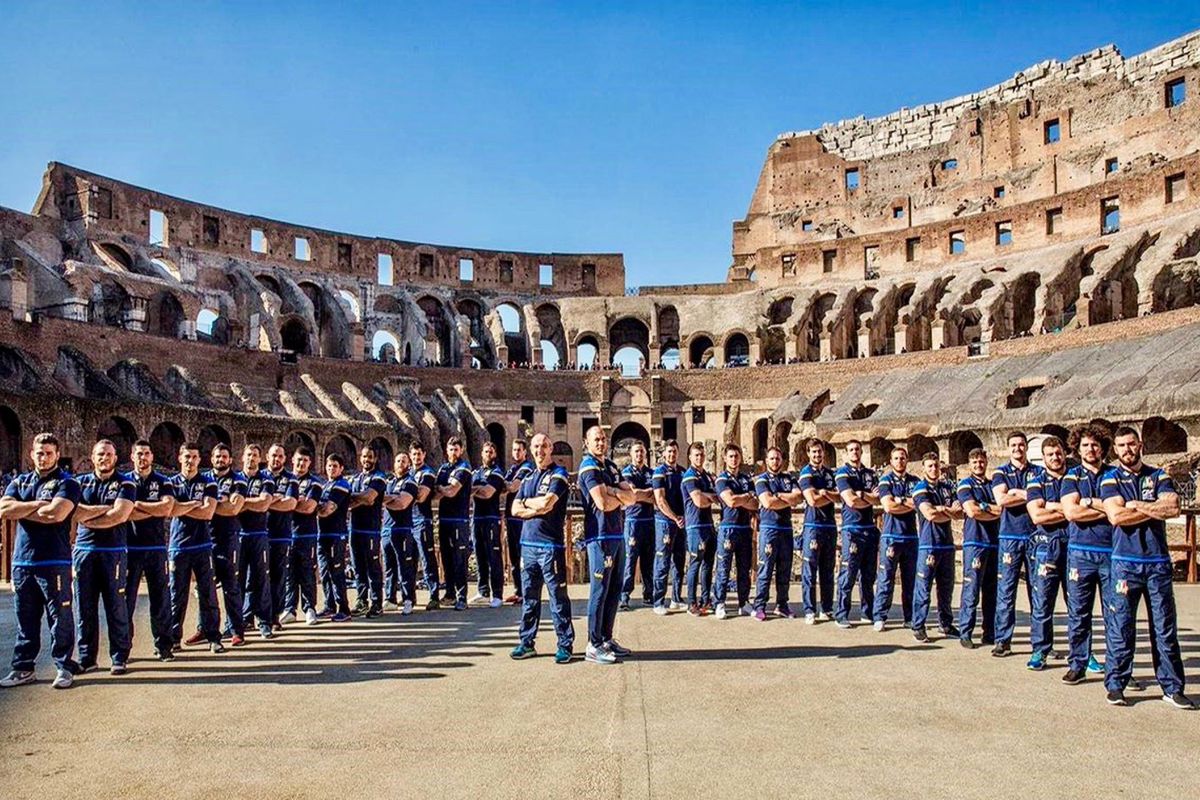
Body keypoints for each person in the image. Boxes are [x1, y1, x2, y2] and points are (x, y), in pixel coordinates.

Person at [1100, 427, 1193, 709]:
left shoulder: (1159, 475)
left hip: (1157, 563)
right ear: (1115, 450)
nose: (1127, 450)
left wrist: (1137, 504)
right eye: (1121, 446)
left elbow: (1173, 508)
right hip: (1125, 564)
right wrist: (1153, 508)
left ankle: (1172, 687)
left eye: (1131, 444)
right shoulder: (1110, 478)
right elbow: (1116, 516)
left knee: (1164, 627)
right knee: (1122, 627)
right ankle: (1116, 685)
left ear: (1140, 445)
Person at [0, 433, 81, 689]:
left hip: (53, 561)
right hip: (23, 562)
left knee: (60, 618)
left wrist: (23, 509)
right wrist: (39, 506)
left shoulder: (67, 483)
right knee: (26, 618)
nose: (43, 457)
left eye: (48, 453)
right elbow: (4, 509)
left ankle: (64, 666)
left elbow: (57, 514)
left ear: (57, 455)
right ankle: (23, 668)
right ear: (31, 454)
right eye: (39, 452)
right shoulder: (20, 481)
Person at [577, 426, 642, 663]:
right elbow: (602, 503)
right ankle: (593, 644)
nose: (601, 442)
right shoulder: (588, 467)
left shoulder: (611, 467)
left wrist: (613, 491)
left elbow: (632, 497)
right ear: (587, 442)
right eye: (596, 439)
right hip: (600, 536)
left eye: (604, 439)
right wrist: (618, 495)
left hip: (617, 534)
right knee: (600, 590)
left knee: (615, 589)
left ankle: (606, 638)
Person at [509, 433, 574, 664]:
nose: (539, 450)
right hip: (528, 545)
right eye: (536, 446)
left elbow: (548, 504)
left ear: (551, 448)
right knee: (529, 598)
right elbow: (514, 509)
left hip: (550, 546)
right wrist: (532, 505)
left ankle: (564, 645)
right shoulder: (527, 477)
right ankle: (527, 643)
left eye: (544, 446)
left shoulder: (559, 474)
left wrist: (529, 504)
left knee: (557, 598)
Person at [72, 439, 136, 674]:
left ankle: (119, 656)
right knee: (84, 608)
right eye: (100, 454)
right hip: (84, 551)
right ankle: (87, 658)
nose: (104, 458)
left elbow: (119, 515)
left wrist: (88, 516)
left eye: (109, 454)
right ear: (93, 456)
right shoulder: (80, 482)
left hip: (113, 552)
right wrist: (103, 510)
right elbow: (72, 511)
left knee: (116, 606)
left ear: (115, 458)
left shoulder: (125, 483)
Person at [1059, 425, 1115, 684]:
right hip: (1081, 553)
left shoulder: (1115, 475)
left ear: (1103, 447)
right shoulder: (1072, 477)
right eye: (1085, 445)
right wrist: (1107, 509)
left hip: (1112, 552)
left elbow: (1121, 510)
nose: (1090, 449)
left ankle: (1117, 669)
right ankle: (1078, 663)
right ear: (1077, 448)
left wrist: (1089, 502)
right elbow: (1071, 513)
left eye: (1095, 445)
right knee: (1079, 613)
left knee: (1115, 613)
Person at [168, 442, 224, 653]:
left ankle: (213, 637)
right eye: (186, 456)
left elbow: (208, 513)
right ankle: (173, 638)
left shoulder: (208, 483)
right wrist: (193, 505)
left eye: (194, 457)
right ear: (180, 458)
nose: (190, 460)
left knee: (208, 593)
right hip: (178, 546)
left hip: (202, 545)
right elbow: (169, 509)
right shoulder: (171, 483)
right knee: (176, 594)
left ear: (199, 460)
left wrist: (182, 507)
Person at [125, 440, 177, 661]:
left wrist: (137, 506)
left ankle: (164, 646)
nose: (142, 457)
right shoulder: (124, 482)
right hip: (130, 547)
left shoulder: (163, 481)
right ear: (132, 456)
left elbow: (166, 508)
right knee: (125, 601)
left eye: (146, 453)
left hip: (156, 547)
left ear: (152, 456)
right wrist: (149, 509)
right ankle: (123, 650)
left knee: (161, 599)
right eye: (139, 454)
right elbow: (124, 513)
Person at [991, 431, 1038, 658]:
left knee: (1038, 591)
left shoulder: (1038, 472)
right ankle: (1003, 640)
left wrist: (1017, 492)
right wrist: (1030, 495)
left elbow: (1045, 498)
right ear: (1008, 448)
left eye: (1021, 445)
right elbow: (1002, 500)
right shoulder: (1000, 472)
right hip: (1010, 536)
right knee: (1006, 590)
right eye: (1013, 445)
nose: (1017, 449)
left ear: (1026, 447)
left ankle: (1040, 643)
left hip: (1035, 536)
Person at [1025, 436, 1070, 670]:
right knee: (1042, 602)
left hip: (1074, 546)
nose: (1055, 457)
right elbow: (1037, 516)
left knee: (1077, 605)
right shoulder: (1036, 482)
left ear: (1065, 453)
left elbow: (1089, 508)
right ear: (1043, 458)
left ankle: (1082, 653)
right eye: (1050, 454)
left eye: (1058, 452)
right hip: (1046, 546)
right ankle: (1040, 650)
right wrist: (1070, 510)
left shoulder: (1077, 478)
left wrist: (1051, 506)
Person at [911, 452, 962, 642]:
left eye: (936, 466)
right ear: (923, 468)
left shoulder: (947, 488)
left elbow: (961, 510)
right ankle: (918, 625)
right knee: (923, 588)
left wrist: (942, 510)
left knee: (946, 588)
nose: (934, 469)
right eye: (930, 466)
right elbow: (930, 514)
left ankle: (945, 624)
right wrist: (947, 511)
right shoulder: (920, 488)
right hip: (929, 544)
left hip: (947, 544)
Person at [752, 446, 804, 620]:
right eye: (772, 458)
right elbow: (767, 502)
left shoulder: (789, 478)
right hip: (769, 528)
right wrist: (786, 499)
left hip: (786, 529)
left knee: (784, 569)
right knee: (766, 569)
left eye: (778, 458)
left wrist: (779, 496)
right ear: (767, 461)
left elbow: (798, 498)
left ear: (782, 460)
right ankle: (759, 605)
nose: (775, 461)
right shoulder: (761, 480)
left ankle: (782, 604)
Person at [956, 447, 1000, 649]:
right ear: (969, 464)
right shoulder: (965, 485)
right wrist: (989, 509)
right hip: (975, 542)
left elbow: (1004, 508)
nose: (978, 465)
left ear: (986, 462)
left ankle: (989, 633)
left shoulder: (994, 485)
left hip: (994, 542)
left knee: (992, 591)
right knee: (971, 589)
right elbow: (972, 511)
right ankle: (966, 632)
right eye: (974, 462)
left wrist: (986, 508)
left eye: (981, 461)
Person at [834, 439, 879, 628]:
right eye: (851, 450)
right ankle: (841, 614)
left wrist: (862, 496)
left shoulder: (870, 474)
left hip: (869, 527)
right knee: (848, 572)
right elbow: (851, 500)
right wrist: (867, 497)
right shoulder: (842, 473)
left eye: (857, 449)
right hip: (852, 528)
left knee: (869, 575)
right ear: (846, 453)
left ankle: (867, 612)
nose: (855, 452)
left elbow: (879, 499)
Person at [873, 447, 920, 631]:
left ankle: (909, 617)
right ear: (890, 461)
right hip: (891, 536)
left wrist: (900, 500)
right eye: (896, 458)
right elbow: (888, 506)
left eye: (902, 458)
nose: (899, 461)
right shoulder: (886, 480)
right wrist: (905, 502)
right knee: (886, 578)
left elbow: (920, 503)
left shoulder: (915, 482)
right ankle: (880, 616)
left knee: (910, 580)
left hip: (910, 536)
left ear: (907, 460)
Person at [207, 444, 247, 645]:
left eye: (224, 456)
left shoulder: (238, 480)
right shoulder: (204, 478)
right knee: (206, 588)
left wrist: (209, 505)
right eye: (217, 456)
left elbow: (233, 508)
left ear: (230, 459)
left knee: (231, 587)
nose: (220, 459)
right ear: (211, 458)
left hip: (228, 538)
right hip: (206, 539)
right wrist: (218, 503)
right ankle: (205, 629)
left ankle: (236, 630)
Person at [235, 444, 276, 639]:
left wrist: (241, 502)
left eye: (255, 455)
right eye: (249, 454)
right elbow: (229, 505)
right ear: (242, 457)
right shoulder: (234, 479)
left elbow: (264, 504)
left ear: (260, 459)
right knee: (237, 580)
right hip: (238, 534)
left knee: (261, 579)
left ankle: (264, 622)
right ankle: (236, 623)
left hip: (259, 534)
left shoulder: (266, 480)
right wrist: (248, 503)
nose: (252, 458)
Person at [797, 438, 839, 624]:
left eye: (819, 451)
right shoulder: (806, 473)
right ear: (808, 454)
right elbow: (812, 500)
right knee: (810, 569)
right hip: (813, 526)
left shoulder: (830, 473)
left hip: (829, 525)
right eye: (813, 452)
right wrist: (829, 495)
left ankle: (827, 608)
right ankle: (809, 609)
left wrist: (825, 494)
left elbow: (841, 497)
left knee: (828, 569)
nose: (817, 455)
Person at [713, 443, 757, 619]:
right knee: (723, 568)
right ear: (725, 458)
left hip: (745, 527)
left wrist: (741, 499)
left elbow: (756, 504)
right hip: (728, 528)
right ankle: (720, 603)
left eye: (736, 456)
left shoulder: (747, 480)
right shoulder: (722, 479)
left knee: (744, 568)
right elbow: (730, 501)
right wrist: (746, 497)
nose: (734, 459)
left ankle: (743, 602)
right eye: (730, 456)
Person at [282, 446, 324, 626]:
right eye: (299, 460)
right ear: (292, 460)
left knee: (307, 573)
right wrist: (293, 502)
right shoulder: (284, 481)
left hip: (306, 534)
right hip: (285, 533)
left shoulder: (314, 483)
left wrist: (288, 503)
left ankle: (309, 609)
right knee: (289, 574)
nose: (301, 463)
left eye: (305, 461)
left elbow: (308, 507)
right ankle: (289, 608)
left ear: (310, 463)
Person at [434, 438, 474, 610]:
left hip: (459, 520)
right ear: (446, 450)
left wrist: (440, 488)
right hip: (444, 519)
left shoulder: (463, 468)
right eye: (451, 449)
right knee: (446, 558)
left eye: (456, 449)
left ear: (461, 450)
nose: (453, 452)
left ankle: (462, 597)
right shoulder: (443, 469)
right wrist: (442, 489)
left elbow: (451, 491)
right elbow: (436, 494)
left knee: (459, 559)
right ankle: (449, 593)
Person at [347, 446, 387, 617]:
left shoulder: (379, 477)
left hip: (370, 530)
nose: (366, 460)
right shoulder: (355, 478)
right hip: (354, 528)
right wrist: (360, 498)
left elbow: (370, 498)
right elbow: (347, 501)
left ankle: (377, 602)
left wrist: (357, 498)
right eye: (364, 457)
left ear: (375, 458)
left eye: (370, 457)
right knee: (358, 567)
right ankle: (362, 600)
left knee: (373, 567)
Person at [681, 441, 719, 617]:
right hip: (695, 525)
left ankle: (706, 600)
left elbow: (716, 496)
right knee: (695, 564)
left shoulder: (706, 476)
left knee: (708, 565)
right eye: (696, 455)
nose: (700, 458)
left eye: (701, 454)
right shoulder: (690, 476)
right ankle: (691, 602)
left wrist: (708, 496)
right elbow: (699, 501)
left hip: (708, 524)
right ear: (690, 457)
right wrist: (710, 497)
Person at [651, 440, 687, 614]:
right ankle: (658, 601)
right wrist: (674, 517)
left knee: (679, 562)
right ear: (664, 454)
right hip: (665, 522)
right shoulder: (659, 473)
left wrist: (683, 518)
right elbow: (659, 500)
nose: (672, 454)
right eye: (669, 452)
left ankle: (676, 598)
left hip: (681, 522)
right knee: (663, 561)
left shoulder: (683, 472)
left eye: (674, 451)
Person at [469, 441, 507, 607]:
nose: (488, 454)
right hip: (476, 518)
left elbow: (487, 493)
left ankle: (497, 594)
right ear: (481, 454)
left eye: (491, 452)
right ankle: (483, 591)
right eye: (486, 452)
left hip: (491, 519)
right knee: (479, 555)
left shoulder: (497, 472)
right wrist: (476, 488)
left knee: (494, 556)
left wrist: (474, 489)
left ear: (495, 454)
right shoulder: (476, 472)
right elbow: (467, 490)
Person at [619, 441, 656, 610]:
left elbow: (657, 495)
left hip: (649, 521)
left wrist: (642, 494)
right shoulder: (626, 473)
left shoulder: (652, 473)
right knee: (630, 560)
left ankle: (649, 594)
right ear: (631, 454)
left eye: (642, 451)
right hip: (633, 522)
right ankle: (624, 596)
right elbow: (632, 495)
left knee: (649, 561)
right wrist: (645, 494)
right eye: (636, 452)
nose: (639, 454)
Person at [264, 443, 298, 630]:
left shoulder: (290, 479)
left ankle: (274, 616)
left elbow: (291, 504)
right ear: (267, 456)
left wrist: (265, 502)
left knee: (278, 578)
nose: (276, 459)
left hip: (281, 535)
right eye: (273, 455)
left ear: (285, 458)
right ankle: (251, 617)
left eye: (280, 456)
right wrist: (274, 499)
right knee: (255, 578)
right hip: (260, 534)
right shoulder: (260, 476)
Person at [316, 454, 353, 622]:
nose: (331, 468)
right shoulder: (326, 485)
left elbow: (329, 509)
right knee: (324, 572)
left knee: (336, 572)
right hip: (322, 534)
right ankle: (329, 605)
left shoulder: (341, 485)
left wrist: (311, 508)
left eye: (335, 466)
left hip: (336, 534)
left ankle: (344, 609)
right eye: (329, 465)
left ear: (341, 468)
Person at [382, 452, 420, 615]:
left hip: (402, 530)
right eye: (398, 460)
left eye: (403, 461)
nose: (400, 463)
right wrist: (390, 498)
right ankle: (390, 598)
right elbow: (389, 500)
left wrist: (385, 499)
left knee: (405, 566)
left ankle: (408, 599)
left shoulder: (410, 482)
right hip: (386, 529)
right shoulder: (389, 481)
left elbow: (402, 503)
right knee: (389, 567)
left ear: (408, 464)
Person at [502, 439, 535, 605]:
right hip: (510, 517)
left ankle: (526, 592)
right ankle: (518, 591)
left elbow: (513, 487)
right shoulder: (513, 469)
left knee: (522, 557)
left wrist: (498, 481)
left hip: (520, 518)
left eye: (519, 450)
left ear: (525, 452)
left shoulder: (526, 468)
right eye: (514, 450)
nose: (515, 453)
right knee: (514, 557)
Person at [409, 442, 440, 608]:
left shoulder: (427, 473)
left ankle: (433, 595)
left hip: (422, 520)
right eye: (413, 454)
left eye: (419, 454)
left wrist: (404, 496)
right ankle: (410, 596)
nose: (416, 457)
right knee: (410, 560)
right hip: (408, 521)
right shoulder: (409, 473)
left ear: (424, 454)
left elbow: (421, 496)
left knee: (427, 559)